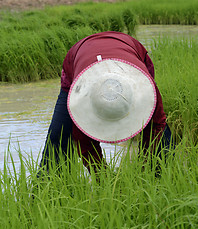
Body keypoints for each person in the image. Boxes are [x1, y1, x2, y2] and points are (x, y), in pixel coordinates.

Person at [38, 31, 173, 177]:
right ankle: (45, 189)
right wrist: (101, 176)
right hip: (79, 57)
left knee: (160, 136)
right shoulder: (78, 101)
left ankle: (161, 178)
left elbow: (157, 123)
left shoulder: (145, 88)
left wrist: (145, 161)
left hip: (128, 48)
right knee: (58, 136)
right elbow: (84, 144)